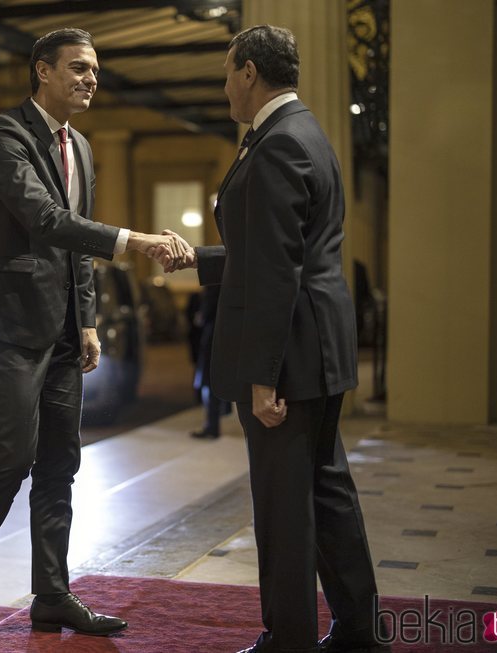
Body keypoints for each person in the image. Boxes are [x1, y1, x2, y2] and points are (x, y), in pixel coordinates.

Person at [0, 27, 186, 637]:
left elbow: (74, 249)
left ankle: (52, 594)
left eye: (95, 71)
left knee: (61, 462)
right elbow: (47, 219)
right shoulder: (4, 134)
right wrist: (135, 242)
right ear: (42, 71)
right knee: (16, 453)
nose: (90, 79)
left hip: (61, 328)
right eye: (78, 67)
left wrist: (87, 321)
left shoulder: (79, 145)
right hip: (5, 324)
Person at [159, 25, 386, 653]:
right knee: (327, 491)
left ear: (251, 72)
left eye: (229, 72)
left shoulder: (277, 145)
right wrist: (201, 260)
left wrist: (263, 376)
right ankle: (360, 631)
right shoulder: (307, 133)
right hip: (319, 345)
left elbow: (277, 271)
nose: (226, 85)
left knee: (285, 508)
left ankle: (289, 639)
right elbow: (277, 253)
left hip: (288, 353)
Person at [190, 284, 231, 439]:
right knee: (212, 379)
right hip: (221, 333)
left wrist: (201, 315)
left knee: (209, 380)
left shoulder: (214, 283)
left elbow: (207, 312)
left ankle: (212, 425)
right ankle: (214, 422)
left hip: (212, 334)